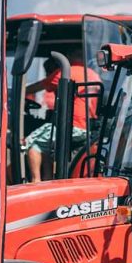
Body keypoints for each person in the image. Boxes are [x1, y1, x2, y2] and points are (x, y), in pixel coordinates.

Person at [24, 50, 101, 182]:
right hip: (88, 128)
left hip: (72, 126)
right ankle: (48, 178)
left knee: (32, 142)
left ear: (69, 57)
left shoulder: (67, 71)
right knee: (46, 144)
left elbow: (39, 86)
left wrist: (20, 92)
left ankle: (35, 181)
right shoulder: (93, 74)